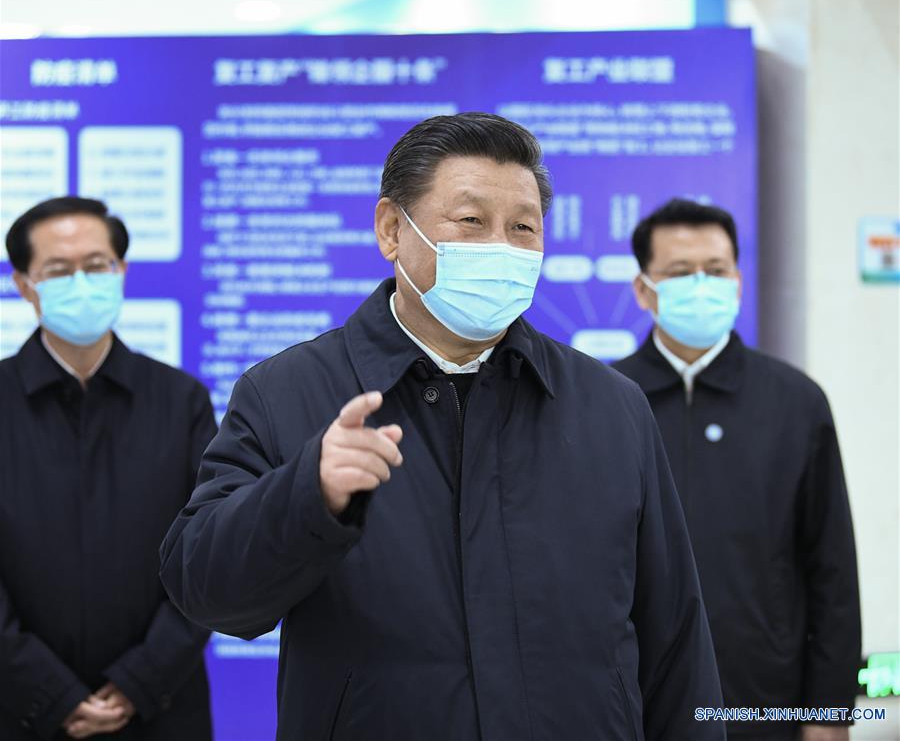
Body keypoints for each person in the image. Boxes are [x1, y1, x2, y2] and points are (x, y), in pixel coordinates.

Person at [160, 112, 726, 741]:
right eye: (471, 222)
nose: (502, 249)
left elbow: (676, 639)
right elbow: (204, 588)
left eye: (523, 228)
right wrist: (306, 497)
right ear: (391, 231)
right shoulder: (286, 394)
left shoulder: (611, 406)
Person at [613, 199, 861, 741]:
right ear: (643, 289)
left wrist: (830, 711)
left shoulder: (795, 402)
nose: (701, 285)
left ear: (738, 281)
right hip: (634, 701)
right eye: (680, 272)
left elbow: (831, 566)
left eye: (716, 270)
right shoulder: (604, 401)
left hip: (764, 704)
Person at [0, 197, 216, 740]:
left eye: (96, 266)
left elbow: (209, 553)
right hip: (16, 709)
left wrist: (138, 682)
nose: (81, 282)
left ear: (121, 271)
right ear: (26, 285)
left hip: (160, 709)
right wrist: (49, 693)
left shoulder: (180, 400)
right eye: (57, 270)